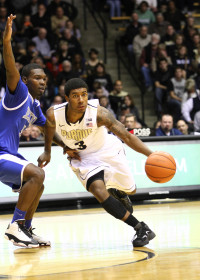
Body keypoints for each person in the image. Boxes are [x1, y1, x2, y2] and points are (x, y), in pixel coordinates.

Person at [40, 78, 156, 247]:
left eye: (84, 95)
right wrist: (54, 149)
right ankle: (140, 227)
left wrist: (151, 155)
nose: (81, 100)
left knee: (131, 190)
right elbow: (47, 129)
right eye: (75, 96)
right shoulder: (53, 114)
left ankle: (120, 193)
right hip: (83, 158)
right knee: (98, 191)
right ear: (67, 98)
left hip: (107, 150)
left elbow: (127, 136)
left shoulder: (99, 113)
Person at [1, 15, 55, 248]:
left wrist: (51, 150)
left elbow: (48, 126)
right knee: (37, 175)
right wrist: (6, 42)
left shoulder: (34, 106)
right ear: (25, 80)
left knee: (38, 183)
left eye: (44, 79)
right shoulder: (19, 93)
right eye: (37, 78)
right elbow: (10, 67)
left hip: (7, 154)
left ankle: (25, 228)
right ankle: (15, 225)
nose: (43, 82)